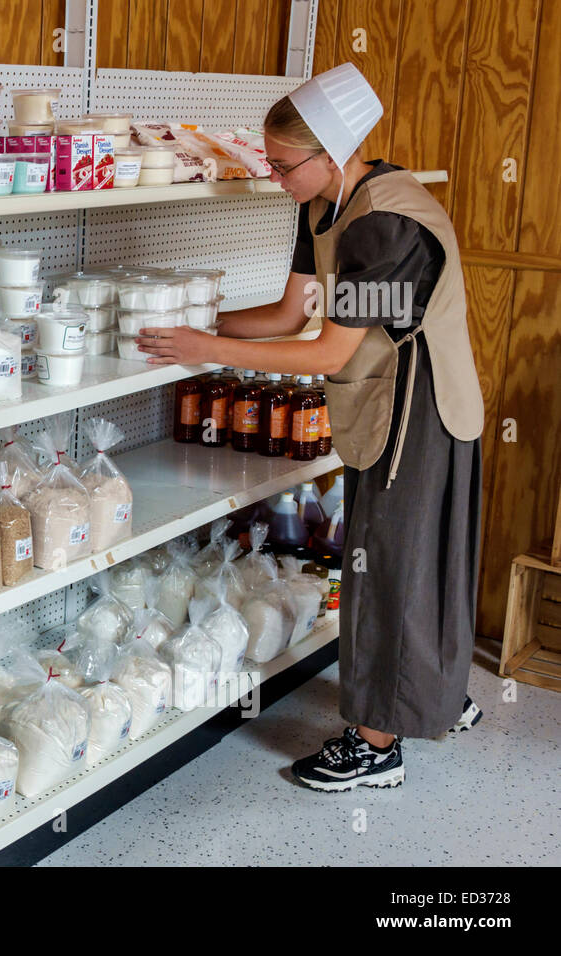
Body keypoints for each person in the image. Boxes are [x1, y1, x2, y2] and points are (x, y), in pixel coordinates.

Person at [135, 63, 485, 792]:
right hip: (384, 399)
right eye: (271, 159)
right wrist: (190, 324)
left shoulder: (384, 224)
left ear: (333, 151)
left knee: (392, 567)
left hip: (421, 410)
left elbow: (329, 348)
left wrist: (207, 352)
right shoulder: (324, 203)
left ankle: (378, 743)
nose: (274, 174)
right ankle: (431, 695)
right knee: (401, 561)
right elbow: (290, 314)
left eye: (284, 163)